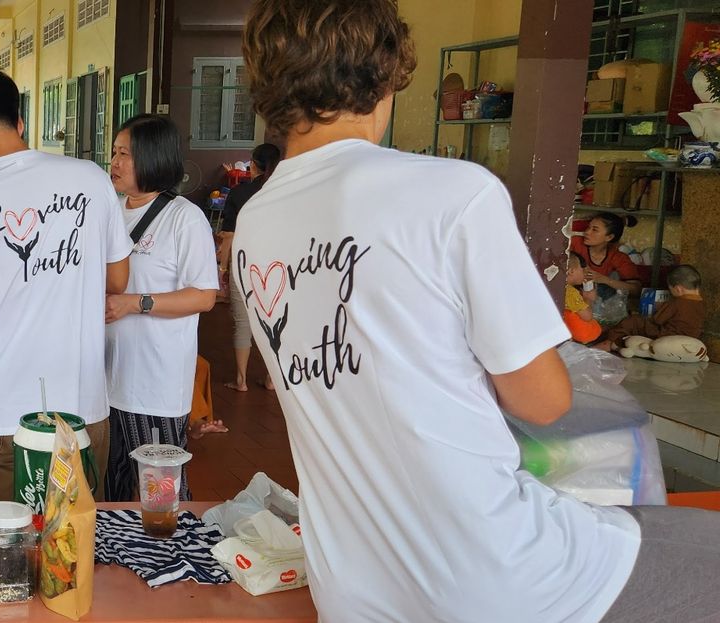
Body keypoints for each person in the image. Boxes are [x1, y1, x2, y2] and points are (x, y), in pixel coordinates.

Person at [239, 1, 719, 621]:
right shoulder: (453, 192)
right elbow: (542, 401)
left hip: (353, 587)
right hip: (497, 571)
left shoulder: (254, 221)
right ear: (384, 76)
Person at [0, 66, 130, 503]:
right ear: (18, 121)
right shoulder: (91, 180)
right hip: (79, 414)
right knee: (69, 558)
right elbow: (118, 278)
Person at [101, 114, 219, 502]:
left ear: (153, 158)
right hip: (105, 379)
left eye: (125, 154)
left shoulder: (183, 218)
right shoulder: (111, 211)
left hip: (154, 384)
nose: (114, 163)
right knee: (112, 482)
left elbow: (203, 296)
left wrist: (134, 303)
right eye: (114, 153)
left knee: (159, 491)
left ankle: (172, 555)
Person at [218, 143, 280, 392]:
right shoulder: (284, 192)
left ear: (252, 165)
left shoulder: (239, 194)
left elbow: (228, 236)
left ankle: (241, 379)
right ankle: (272, 379)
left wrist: (222, 268)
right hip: (277, 266)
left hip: (244, 263)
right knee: (274, 321)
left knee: (243, 321)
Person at [597, 264, 704, 350]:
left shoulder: (677, 302)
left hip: (666, 335)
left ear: (678, 289)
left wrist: (659, 308)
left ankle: (612, 342)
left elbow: (658, 320)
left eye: (670, 290)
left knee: (634, 321)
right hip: (692, 337)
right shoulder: (701, 304)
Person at [572, 212, 642, 318]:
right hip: (572, 300)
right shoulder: (575, 243)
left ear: (609, 237)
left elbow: (636, 290)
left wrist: (604, 279)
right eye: (588, 227)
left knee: (611, 280)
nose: (587, 232)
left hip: (599, 308)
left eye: (594, 230)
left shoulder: (618, 258)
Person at [562, 253, 603, 344]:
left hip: (560, 330)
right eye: (582, 269)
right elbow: (587, 317)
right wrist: (588, 298)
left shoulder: (554, 286)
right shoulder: (570, 292)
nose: (584, 273)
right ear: (571, 271)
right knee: (598, 330)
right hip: (579, 334)